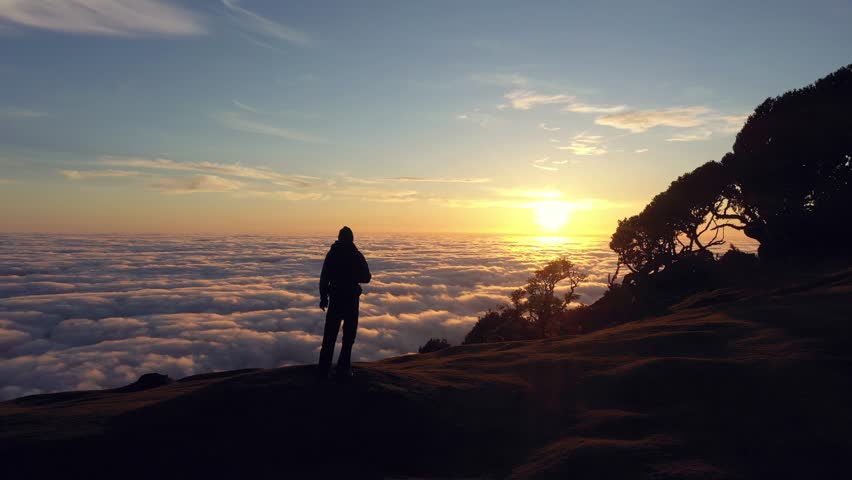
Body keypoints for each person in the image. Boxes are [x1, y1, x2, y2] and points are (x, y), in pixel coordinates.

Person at [317, 226, 371, 381]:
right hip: (351, 301)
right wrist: (353, 277)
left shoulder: (332, 254)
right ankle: (343, 369)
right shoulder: (356, 255)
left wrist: (323, 298)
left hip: (335, 300)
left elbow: (324, 278)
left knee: (330, 337)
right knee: (348, 337)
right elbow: (366, 277)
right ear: (352, 239)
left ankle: (323, 371)